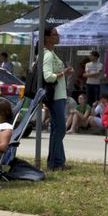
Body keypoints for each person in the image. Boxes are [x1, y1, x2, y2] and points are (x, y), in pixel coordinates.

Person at [42, 27, 74, 171]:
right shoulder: (48, 54)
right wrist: (64, 73)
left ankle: (59, 161)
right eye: (55, 34)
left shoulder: (50, 53)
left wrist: (63, 73)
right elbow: (48, 76)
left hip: (59, 95)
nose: (58, 36)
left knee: (57, 129)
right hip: (55, 96)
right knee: (59, 129)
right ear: (48, 38)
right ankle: (53, 163)